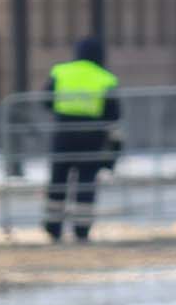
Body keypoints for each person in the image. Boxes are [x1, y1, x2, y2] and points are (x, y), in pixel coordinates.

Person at [42, 36, 121, 242]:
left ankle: (53, 227)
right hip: (92, 138)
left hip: (63, 134)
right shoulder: (105, 78)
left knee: (58, 181)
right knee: (86, 183)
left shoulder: (61, 72)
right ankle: (81, 230)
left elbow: (46, 100)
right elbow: (113, 114)